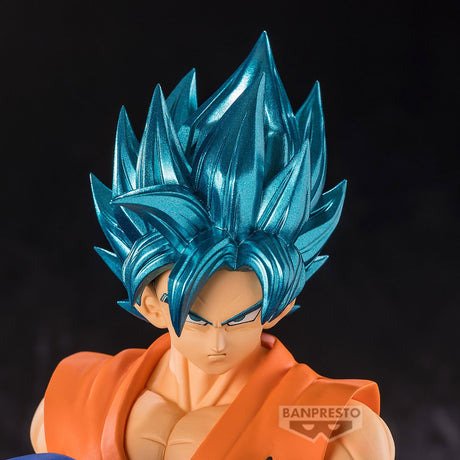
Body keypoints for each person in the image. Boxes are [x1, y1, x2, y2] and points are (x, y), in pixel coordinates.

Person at [27, 32, 394, 460]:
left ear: (276, 309)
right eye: (197, 320)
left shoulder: (314, 416)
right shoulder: (84, 392)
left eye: (241, 319)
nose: (218, 343)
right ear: (151, 305)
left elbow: (334, 425)